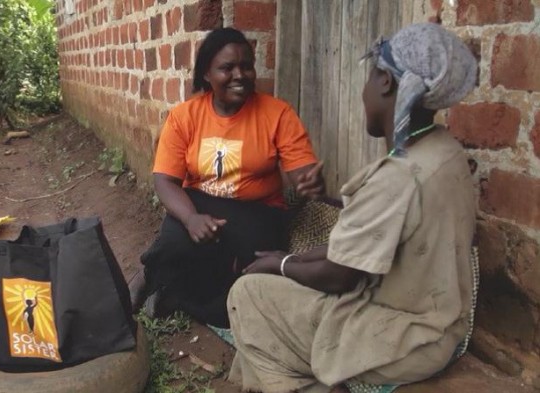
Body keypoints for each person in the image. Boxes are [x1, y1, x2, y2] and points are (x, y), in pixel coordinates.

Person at [226, 23, 478, 393]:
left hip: (403, 339)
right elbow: (370, 248)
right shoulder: (446, 151)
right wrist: (297, 257)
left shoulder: (398, 178)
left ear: (386, 83)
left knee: (247, 294)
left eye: (369, 76)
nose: (363, 92)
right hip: (442, 325)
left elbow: (339, 277)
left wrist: (279, 264)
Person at [128, 27, 325, 328]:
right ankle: (149, 275)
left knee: (244, 293)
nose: (239, 75)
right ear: (207, 73)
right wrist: (192, 219)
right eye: (227, 67)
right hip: (199, 206)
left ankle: (177, 294)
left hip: (257, 213)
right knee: (176, 240)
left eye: (246, 66)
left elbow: (301, 170)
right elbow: (165, 181)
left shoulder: (277, 114)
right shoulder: (185, 116)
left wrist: (308, 181)